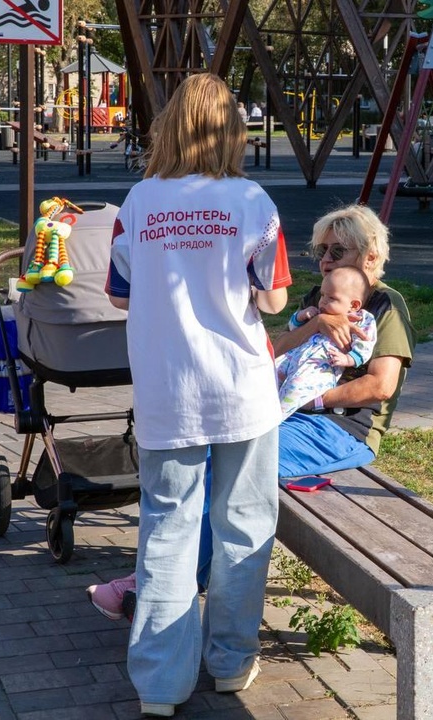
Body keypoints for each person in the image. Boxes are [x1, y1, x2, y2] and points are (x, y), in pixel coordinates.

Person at [88, 203, 417, 631]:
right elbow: (274, 352)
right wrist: (314, 327)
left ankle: (161, 589)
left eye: (336, 252)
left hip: (340, 430)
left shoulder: (384, 305)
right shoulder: (322, 300)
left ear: (370, 257)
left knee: (225, 472)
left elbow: (380, 385)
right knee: (211, 461)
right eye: (321, 251)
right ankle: (169, 583)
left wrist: (311, 400)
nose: (324, 262)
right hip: (291, 418)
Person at [103, 73, 292, 718]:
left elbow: (120, 292)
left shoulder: (137, 202)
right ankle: (231, 663)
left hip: (167, 390)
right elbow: (273, 297)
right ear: (232, 130)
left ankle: (159, 683)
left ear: (169, 128)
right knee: (243, 526)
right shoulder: (252, 202)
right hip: (241, 389)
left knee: (166, 529)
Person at [276, 266, 377, 419]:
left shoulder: (361, 319)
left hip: (319, 366)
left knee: (295, 388)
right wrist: (301, 316)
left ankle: (276, 418)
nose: (323, 301)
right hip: (294, 357)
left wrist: (349, 359)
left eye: (332, 298)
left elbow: (366, 343)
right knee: (268, 372)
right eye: (323, 295)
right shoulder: (317, 313)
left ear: (354, 305)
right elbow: (292, 328)